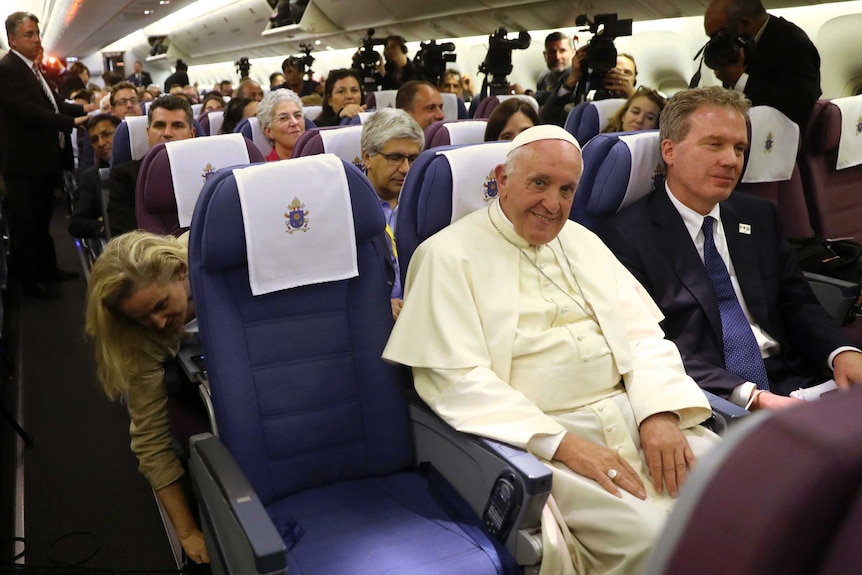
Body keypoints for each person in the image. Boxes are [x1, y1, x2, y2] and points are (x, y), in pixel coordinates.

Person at [383, 124, 718, 575]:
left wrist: (659, 414)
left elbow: (643, 336)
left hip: (635, 413)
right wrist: (563, 444)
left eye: (567, 190)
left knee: (739, 498)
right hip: (543, 439)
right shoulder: (445, 255)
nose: (553, 204)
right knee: (651, 542)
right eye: (538, 183)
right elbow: (456, 380)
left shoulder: (584, 240)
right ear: (502, 179)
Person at [595, 87, 862, 412]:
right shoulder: (625, 237)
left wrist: (840, 351)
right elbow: (653, 345)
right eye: (714, 145)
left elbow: (797, 303)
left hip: (796, 380)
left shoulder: (757, 215)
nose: (731, 160)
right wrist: (753, 397)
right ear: (669, 151)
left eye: (739, 148)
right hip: (715, 396)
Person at [85, 231, 209, 566]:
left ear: (180, 271)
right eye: (142, 318)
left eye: (159, 306)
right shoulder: (141, 338)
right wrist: (187, 533)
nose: (157, 323)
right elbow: (151, 442)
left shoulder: (217, 252)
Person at [0, 11, 93, 298]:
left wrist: (85, 110)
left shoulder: (31, 68)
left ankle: (48, 269)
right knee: (27, 224)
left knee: (41, 221)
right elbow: (28, 112)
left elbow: (53, 103)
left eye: (36, 33)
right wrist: (71, 123)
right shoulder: (7, 69)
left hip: (40, 161)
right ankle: (31, 282)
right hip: (23, 163)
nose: (36, 39)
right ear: (12, 39)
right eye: (29, 34)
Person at [703, 0, 821, 128]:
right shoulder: (740, 47)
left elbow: (798, 108)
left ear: (745, 23)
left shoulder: (794, 45)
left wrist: (739, 80)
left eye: (718, 35)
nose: (716, 43)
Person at [360, 108, 424, 320]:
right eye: (395, 157)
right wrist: (376, 304)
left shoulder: (426, 204)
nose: (406, 168)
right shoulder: (349, 209)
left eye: (413, 158)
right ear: (367, 157)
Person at [108, 95, 196, 236]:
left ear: (192, 134)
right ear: (148, 134)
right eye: (159, 125)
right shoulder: (125, 176)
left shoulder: (202, 173)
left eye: (177, 126)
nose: (167, 133)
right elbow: (125, 238)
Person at [540, 52, 639, 128]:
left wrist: (634, 97)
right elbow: (548, 117)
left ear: (634, 81)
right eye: (614, 71)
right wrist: (572, 79)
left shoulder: (643, 108)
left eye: (627, 73)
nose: (619, 76)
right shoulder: (586, 108)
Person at [69, 114, 120, 239]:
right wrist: (106, 227)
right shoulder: (92, 177)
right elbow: (77, 224)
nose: (101, 143)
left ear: (121, 134)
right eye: (94, 140)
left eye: (106, 134)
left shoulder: (146, 166)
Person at [257, 88, 305, 161]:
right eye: (284, 118)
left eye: (297, 115)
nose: (294, 122)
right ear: (269, 131)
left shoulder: (319, 161)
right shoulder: (263, 169)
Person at [602, 86, 666, 133]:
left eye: (649, 118)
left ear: (656, 125)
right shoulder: (604, 143)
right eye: (635, 112)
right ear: (623, 115)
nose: (639, 120)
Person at [534, 32, 575, 104]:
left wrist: (530, 95)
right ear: (545, 55)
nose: (557, 57)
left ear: (572, 53)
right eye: (552, 52)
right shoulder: (543, 80)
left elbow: (565, 97)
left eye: (562, 51)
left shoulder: (579, 78)